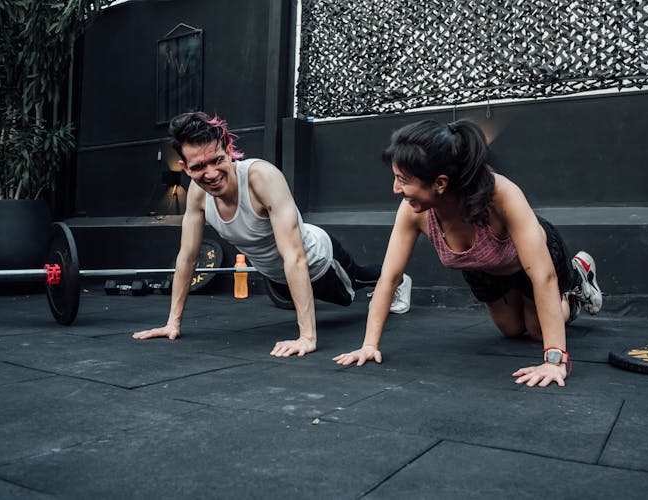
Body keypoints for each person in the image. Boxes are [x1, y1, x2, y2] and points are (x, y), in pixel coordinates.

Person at [333, 119, 602, 387]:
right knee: (511, 331)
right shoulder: (413, 212)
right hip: (483, 270)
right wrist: (369, 345)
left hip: (527, 264)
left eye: (403, 180)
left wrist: (555, 360)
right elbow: (390, 277)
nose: (395, 189)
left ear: (440, 183)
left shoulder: (501, 194)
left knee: (535, 331)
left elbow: (543, 276)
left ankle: (576, 283)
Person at [133, 112, 412, 357]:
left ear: (229, 150)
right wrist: (173, 322)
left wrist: (307, 338)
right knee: (291, 299)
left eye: (216, 160)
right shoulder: (197, 195)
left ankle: (400, 280)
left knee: (351, 293)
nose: (211, 173)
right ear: (184, 167)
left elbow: (295, 257)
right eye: (197, 167)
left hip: (317, 260)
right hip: (276, 276)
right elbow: (187, 257)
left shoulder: (261, 178)